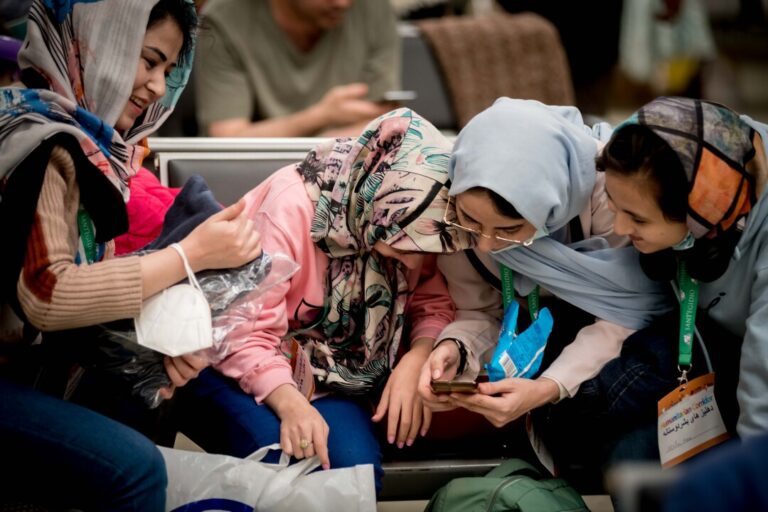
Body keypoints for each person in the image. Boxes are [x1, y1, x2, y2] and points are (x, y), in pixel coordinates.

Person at [0, 1, 262, 509]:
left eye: (168, 70)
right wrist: (190, 255)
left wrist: (146, 351)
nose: (159, 87)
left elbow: (72, 296)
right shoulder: (40, 141)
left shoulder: (93, 146)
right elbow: (46, 294)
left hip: (27, 368)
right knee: (136, 469)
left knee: (147, 398)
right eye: (147, 60)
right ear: (97, 45)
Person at [176, 108, 472, 493]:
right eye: (405, 244)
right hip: (224, 363)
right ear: (376, 202)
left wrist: (415, 359)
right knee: (291, 465)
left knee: (353, 475)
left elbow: (432, 301)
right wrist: (290, 404)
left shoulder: (416, 214)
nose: (416, 261)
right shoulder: (291, 207)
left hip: (332, 378)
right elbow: (241, 333)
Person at [415, 98, 675, 478]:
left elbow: (625, 311)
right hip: (544, 367)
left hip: (623, 366)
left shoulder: (610, 196)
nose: (485, 245)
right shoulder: (454, 218)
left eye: (509, 230)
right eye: (471, 221)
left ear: (553, 205)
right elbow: (479, 310)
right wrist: (456, 348)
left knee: (632, 457)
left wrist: (550, 387)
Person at [596, 96, 768, 444]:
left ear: (703, 214)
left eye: (638, 219)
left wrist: (748, 480)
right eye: (613, 205)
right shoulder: (706, 153)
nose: (618, 229)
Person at [195, 0, 400, 137]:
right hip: (256, 178)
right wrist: (321, 116)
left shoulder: (375, 8)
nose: (342, 3)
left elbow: (382, 126)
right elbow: (228, 140)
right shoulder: (225, 17)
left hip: (348, 176)